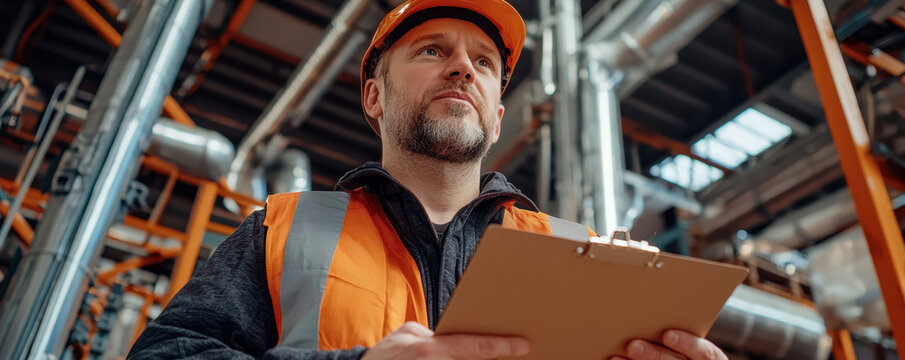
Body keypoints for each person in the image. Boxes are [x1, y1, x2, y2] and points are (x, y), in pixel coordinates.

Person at [129, 0, 728, 359]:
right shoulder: (286, 232)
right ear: (373, 97)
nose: (463, 67)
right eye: (431, 51)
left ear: (497, 118)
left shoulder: (575, 253)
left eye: (484, 63)